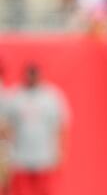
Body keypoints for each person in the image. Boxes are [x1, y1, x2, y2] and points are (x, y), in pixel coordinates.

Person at [7, 64, 69, 195]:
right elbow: (7, 125)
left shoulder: (51, 96)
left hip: (45, 156)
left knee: (44, 191)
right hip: (20, 156)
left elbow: (60, 125)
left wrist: (61, 150)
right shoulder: (16, 95)